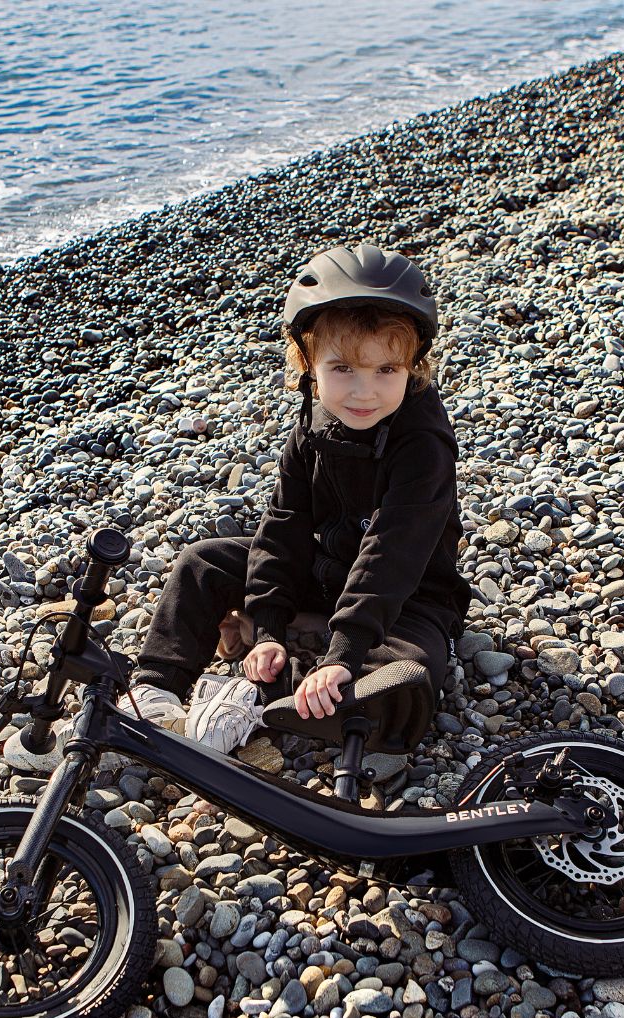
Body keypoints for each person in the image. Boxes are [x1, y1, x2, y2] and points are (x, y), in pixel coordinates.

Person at [116, 243, 472, 754]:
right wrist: (266, 628)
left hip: (406, 597)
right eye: (343, 369)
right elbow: (282, 524)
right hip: (324, 573)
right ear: (307, 362)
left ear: (413, 365)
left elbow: (394, 554)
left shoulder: (423, 442)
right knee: (203, 563)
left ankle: (265, 693)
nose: (364, 392)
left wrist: (344, 655)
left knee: (409, 676)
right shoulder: (313, 422)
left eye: (385, 371)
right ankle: (156, 687)